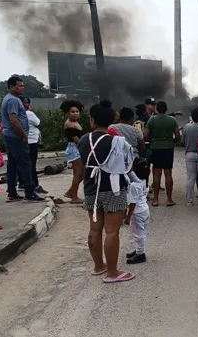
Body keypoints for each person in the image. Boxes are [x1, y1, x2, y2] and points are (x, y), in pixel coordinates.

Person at [78, 101, 134, 283]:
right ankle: (112, 272)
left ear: (92, 120)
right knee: (112, 232)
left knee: (94, 229)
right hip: (113, 190)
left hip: (91, 188)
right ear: (112, 121)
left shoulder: (84, 140)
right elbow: (128, 164)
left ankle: (98, 266)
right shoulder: (117, 141)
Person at [1, 76, 44, 203]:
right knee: (25, 164)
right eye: (19, 85)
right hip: (15, 137)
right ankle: (30, 192)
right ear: (11, 87)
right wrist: (24, 135)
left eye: (22, 85)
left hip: (11, 136)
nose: (22, 87)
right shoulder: (13, 100)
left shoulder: (12, 99)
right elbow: (14, 121)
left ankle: (12, 192)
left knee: (13, 164)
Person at [145, 101, 180, 207]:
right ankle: (169, 199)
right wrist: (171, 142)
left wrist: (153, 140)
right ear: (166, 109)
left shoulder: (152, 119)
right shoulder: (172, 120)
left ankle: (156, 199)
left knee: (156, 173)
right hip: (168, 148)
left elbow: (146, 136)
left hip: (156, 148)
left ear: (157, 109)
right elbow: (178, 136)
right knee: (168, 173)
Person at [125, 159, 150, 264]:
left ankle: (140, 254)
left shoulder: (135, 185)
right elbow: (131, 174)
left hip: (137, 212)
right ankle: (139, 250)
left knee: (137, 234)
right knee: (142, 232)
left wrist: (127, 217)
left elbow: (133, 203)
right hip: (145, 210)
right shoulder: (144, 180)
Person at [60, 100, 85, 204]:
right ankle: (74, 197)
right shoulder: (69, 124)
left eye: (77, 111)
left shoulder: (75, 123)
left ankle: (71, 192)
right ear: (68, 113)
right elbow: (76, 140)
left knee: (81, 173)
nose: (75, 113)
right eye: (72, 112)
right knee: (78, 173)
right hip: (75, 149)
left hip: (77, 149)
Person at [21, 97, 47, 194]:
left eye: (27, 103)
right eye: (25, 103)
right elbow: (38, 122)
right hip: (32, 141)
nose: (26, 105)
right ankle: (35, 185)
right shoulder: (29, 113)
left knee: (25, 165)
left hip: (23, 141)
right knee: (32, 165)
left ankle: (24, 184)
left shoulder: (17, 114)